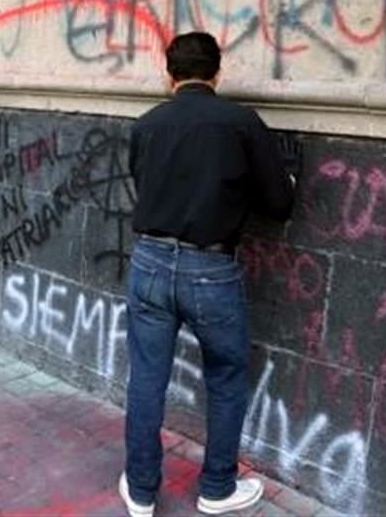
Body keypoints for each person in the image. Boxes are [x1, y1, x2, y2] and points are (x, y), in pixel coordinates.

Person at [119, 32, 296, 517]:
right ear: (217, 73)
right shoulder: (240, 123)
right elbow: (279, 203)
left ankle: (139, 491)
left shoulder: (147, 125)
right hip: (211, 269)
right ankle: (217, 488)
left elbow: (144, 184)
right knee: (226, 376)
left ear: (168, 74)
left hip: (150, 261)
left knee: (146, 379)